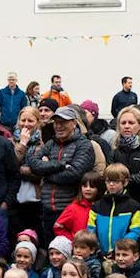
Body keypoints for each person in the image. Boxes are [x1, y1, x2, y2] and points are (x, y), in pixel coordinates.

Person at [26, 105, 95, 247]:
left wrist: (46, 173)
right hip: (47, 209)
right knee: (50, 250)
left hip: (70, 209)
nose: (58, 126)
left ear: (74, 123)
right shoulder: (51, 144)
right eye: (56, 123)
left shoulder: (84, 145)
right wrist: (60, 164)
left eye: (63, 122)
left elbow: (74, 174)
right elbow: (33, 164)